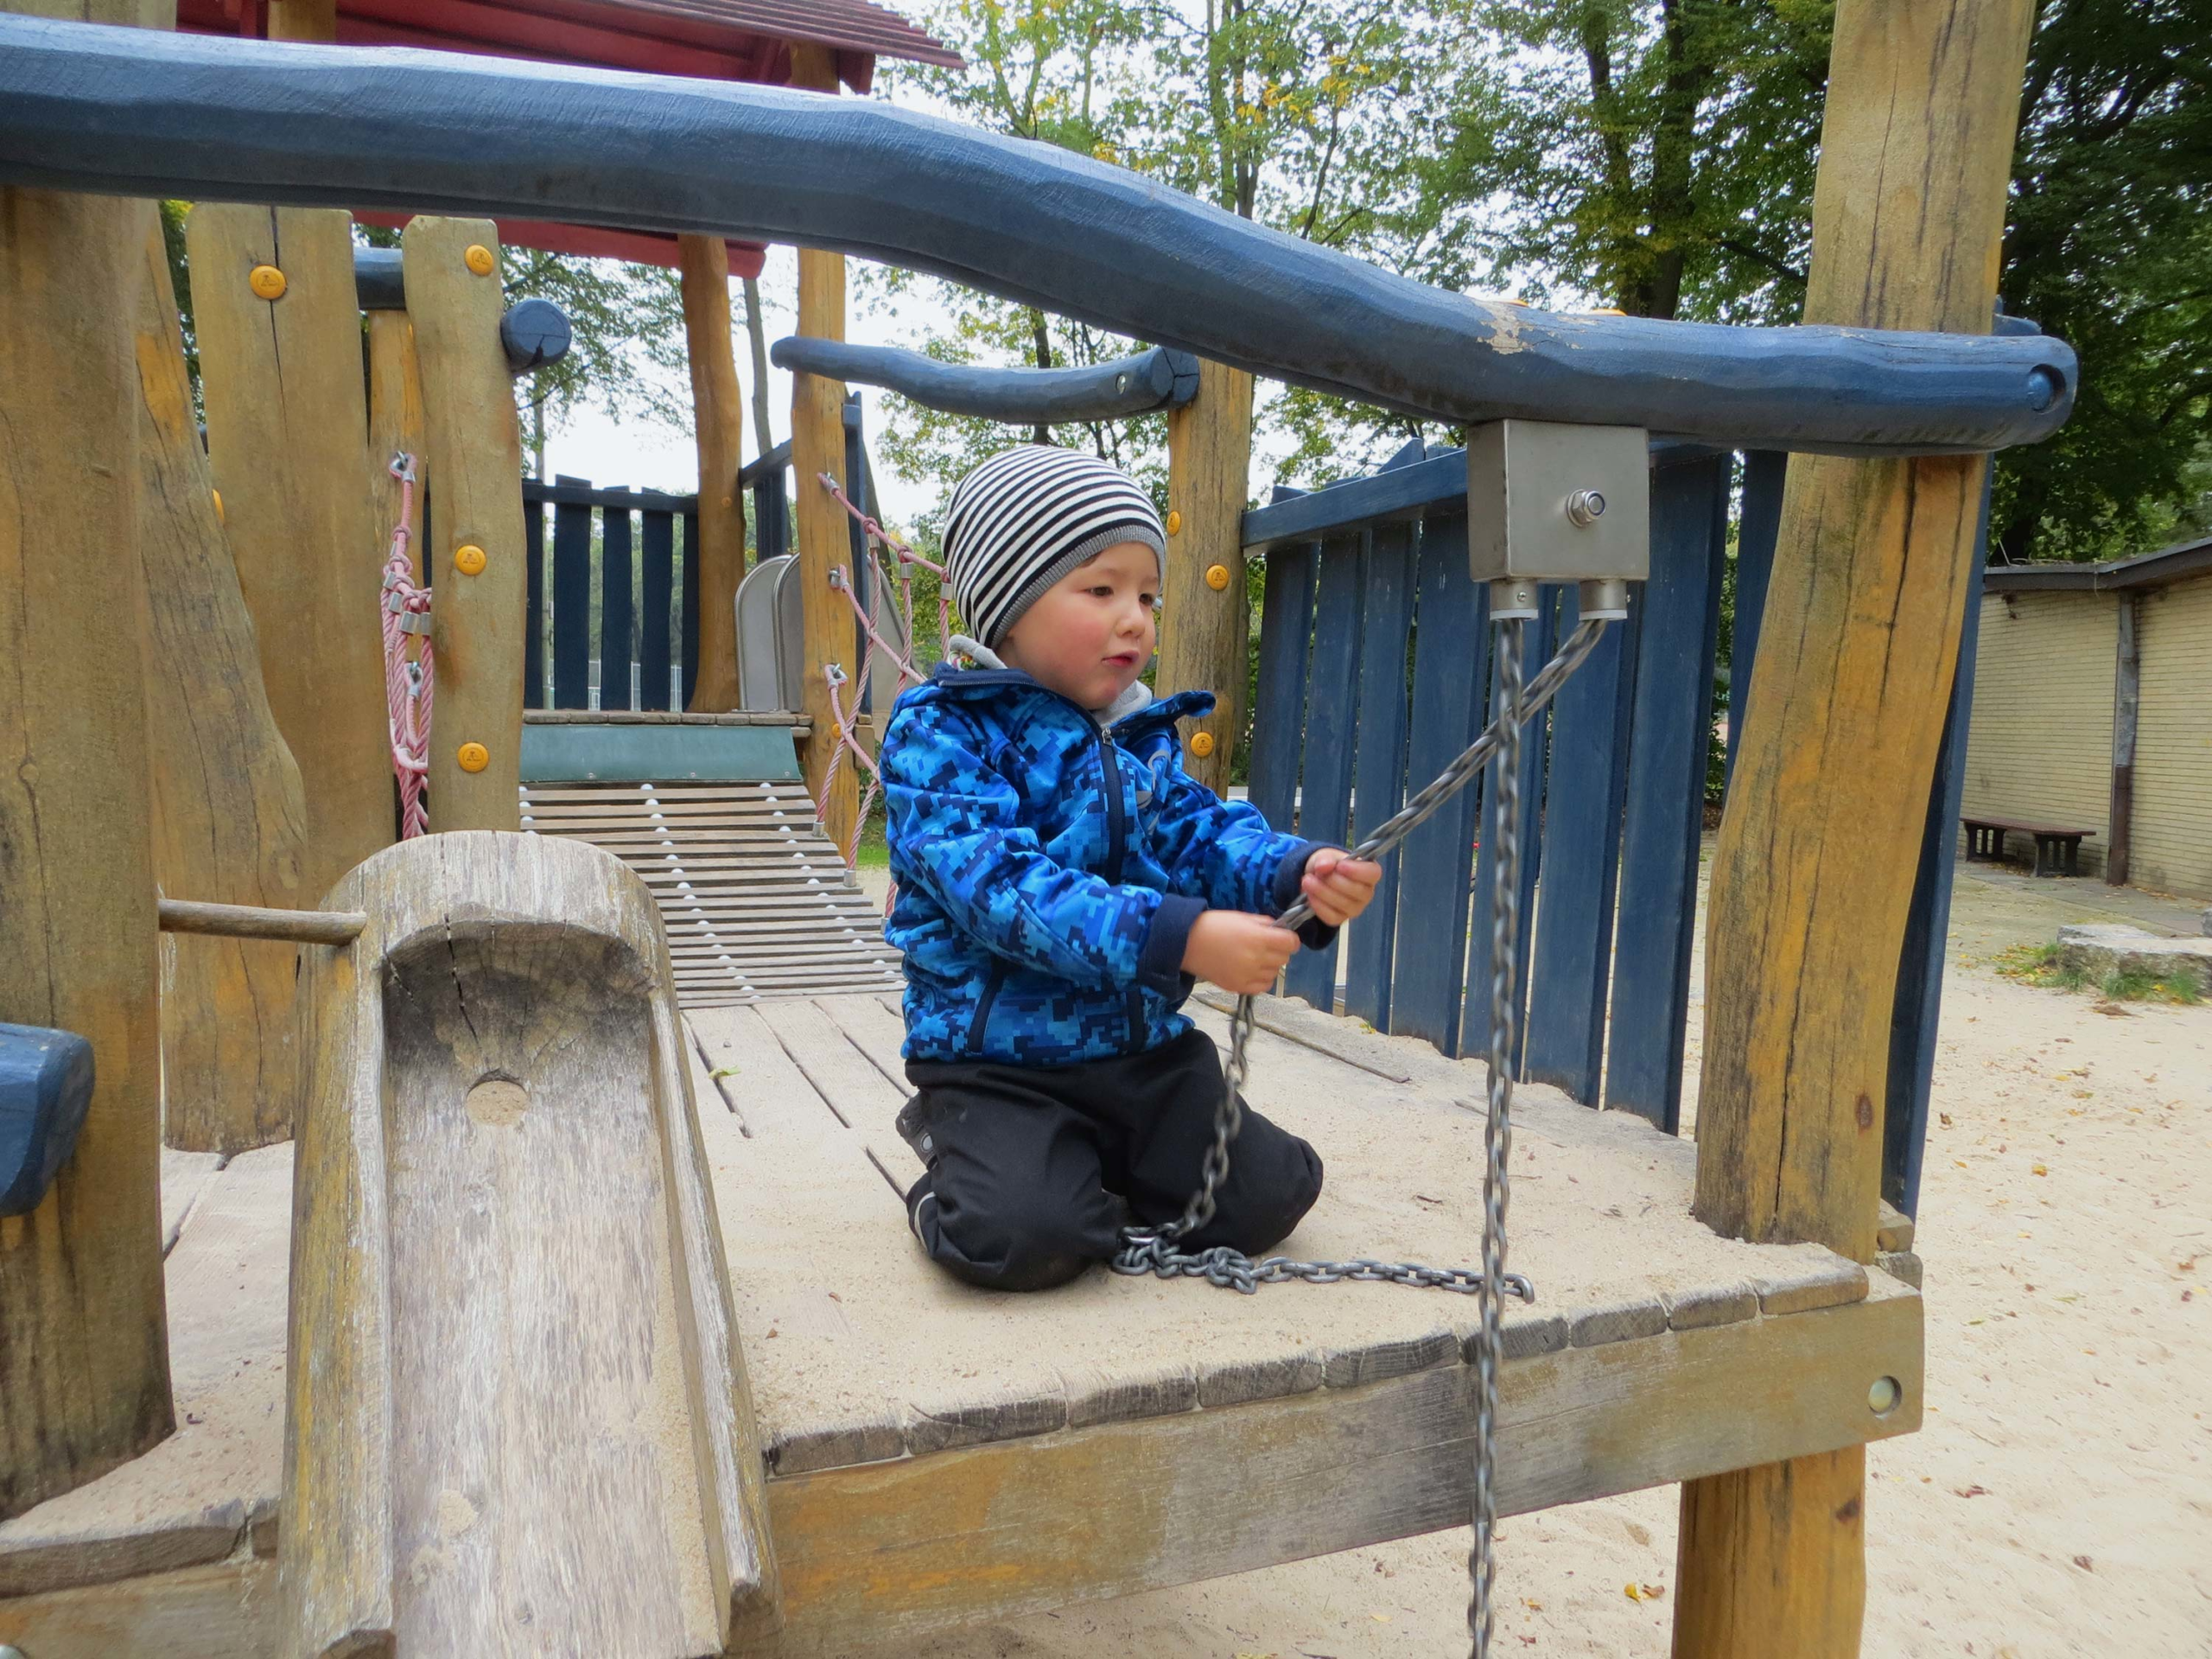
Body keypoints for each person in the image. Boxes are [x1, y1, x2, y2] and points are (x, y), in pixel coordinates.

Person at [879, 444, 1382, 1291]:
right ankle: (952, 1161)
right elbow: (1002, 892)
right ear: (1007, 601)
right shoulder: (941, 738)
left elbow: (1199, 836)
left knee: (1269, 1196)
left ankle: (1099, 1160)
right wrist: (1179, 935)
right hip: (997, 1062)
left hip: (1139, 1052)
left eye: (1147, 595)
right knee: (1021, 1239)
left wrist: (1296, 874)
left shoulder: (1136, 733)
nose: (1136, 619)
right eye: (1101, 589)